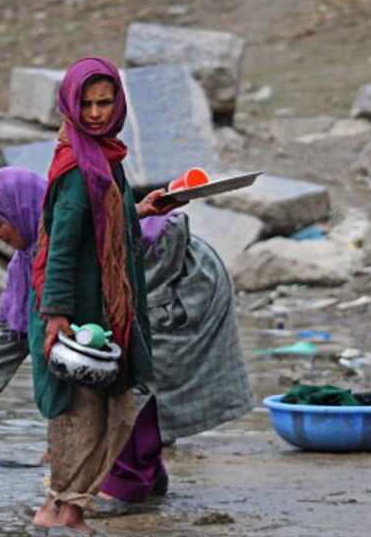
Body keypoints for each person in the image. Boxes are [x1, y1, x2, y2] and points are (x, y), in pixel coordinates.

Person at [0, 57, 178, 537]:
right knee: (85, 418)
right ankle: (65, 516)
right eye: (87, 103)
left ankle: (60, 513)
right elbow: (59, 248)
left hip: (100, 317)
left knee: (107, 416)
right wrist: (57, 315)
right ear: (69, 105)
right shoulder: (79, 169)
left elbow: (88, 232)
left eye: (105, 103)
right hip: (80, 322)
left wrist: (138, 209)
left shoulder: (102, 160)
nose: (97, 113)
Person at [94, 212, 254, 515]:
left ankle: (126, 485)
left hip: (176, 294)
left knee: (139, 385)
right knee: (142, 384)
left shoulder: (144, 245)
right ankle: (149, 473)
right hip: (171, 285)